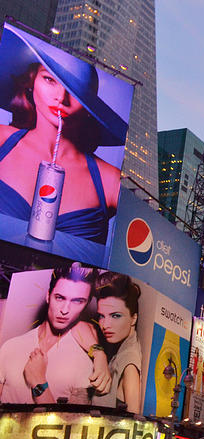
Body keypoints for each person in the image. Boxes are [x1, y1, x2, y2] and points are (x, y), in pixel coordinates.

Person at [0, 23, 126, 243]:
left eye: (75, 92)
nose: (61, 98)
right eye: (49, 80)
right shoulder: (2, 140)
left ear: (90, 108)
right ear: (31, 82)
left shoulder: (110, 181)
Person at [0, 263, 110, 404]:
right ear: (48, 296)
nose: (65, 309)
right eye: (60, 298)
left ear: (86, 304)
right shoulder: (11, 346)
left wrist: (39, 383)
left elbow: (71, 424)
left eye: (77, 301)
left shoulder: (85, 364)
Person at [94, 271, 143, 412]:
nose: (105, 325)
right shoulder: (121, 351)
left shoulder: (129, 363)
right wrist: (99, 353)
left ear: (133, 318)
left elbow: (134, 419)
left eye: (115, 316)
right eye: (101, 316)